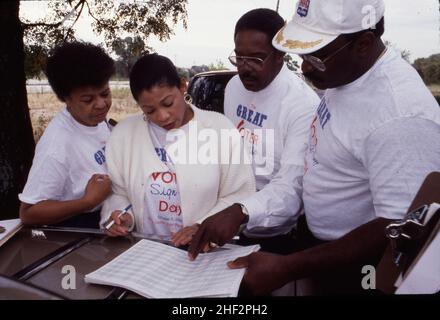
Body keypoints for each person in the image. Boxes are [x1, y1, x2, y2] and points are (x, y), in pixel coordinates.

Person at [192, 0, 440, 295]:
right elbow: (309, 166)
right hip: (319, 246)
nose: (306, 68)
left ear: (363, 43)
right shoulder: (347, 76)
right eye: (303, 54)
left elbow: (400, 228)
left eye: (317, 58)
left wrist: (289, 267)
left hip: (362, 267)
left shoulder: (399, 115)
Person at [188, 8, 320, 254]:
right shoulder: (235, 87)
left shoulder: (302, 106)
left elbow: (291, 187)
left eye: (256, 59)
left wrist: (241, 211)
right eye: (239, 57)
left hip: (274, 233)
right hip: (227, 218)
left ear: (280, 54)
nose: (245, 68)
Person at [101, 54, 255, 247]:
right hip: (145, 250)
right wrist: (122, 215)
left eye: (168, 103)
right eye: (150, 111)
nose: (163, 116)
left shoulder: (219, 129)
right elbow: (118, 192)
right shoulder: (124, 134)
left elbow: (239, 193)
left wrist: (203, 227)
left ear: (183, 87)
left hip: (202, 252)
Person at [19, 41, 115, 228]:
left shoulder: (96, 119)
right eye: (88, 99)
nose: (101, 104)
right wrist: (87, 202)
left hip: (111, 216)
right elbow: (28, 213)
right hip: (79, 231)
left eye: (105, 93)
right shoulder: (57, 145)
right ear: (66, 99)